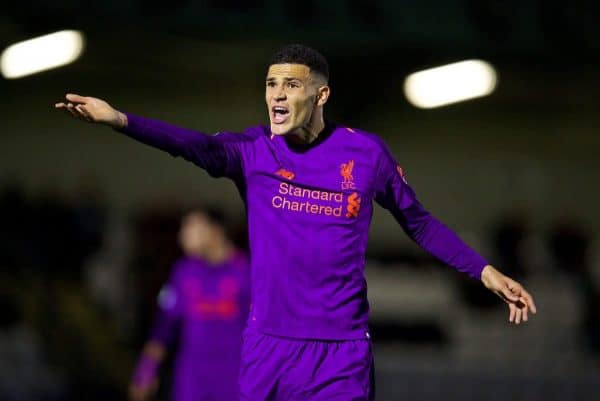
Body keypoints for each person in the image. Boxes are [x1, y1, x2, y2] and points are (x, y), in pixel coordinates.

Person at [56, 43, 537, 401]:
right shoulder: (253, 152)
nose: (277, 96)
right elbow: (193, 144)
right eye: (270, 84)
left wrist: (484, 271)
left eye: (291, 85)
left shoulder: (366, 154)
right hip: (268, 349)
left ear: (321, 93)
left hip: (341, 352)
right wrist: (120, 119)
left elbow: (420, 222)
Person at [128, 206, 250, 401]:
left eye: (191, 227)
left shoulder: (245, 272)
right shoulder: (183, 272)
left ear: (215, 231)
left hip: (233, 379)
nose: (182, 235)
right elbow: (164, 325)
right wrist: (146, 369)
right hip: (191, 380)